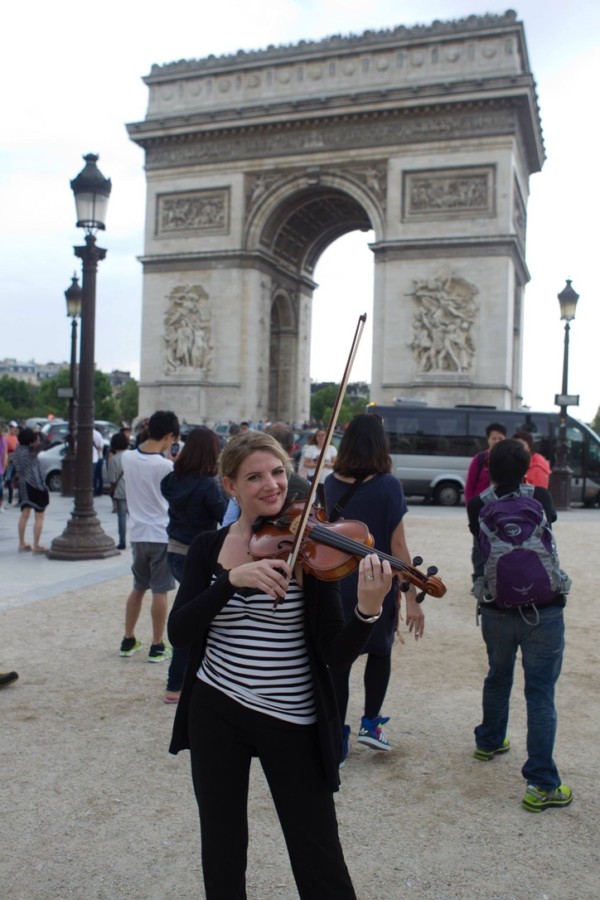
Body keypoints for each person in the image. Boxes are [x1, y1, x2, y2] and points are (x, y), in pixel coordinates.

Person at [168, 431, 392, 899]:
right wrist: (231, 581)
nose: (271, 485)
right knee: (223, 844)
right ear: (230, 486)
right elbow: (179, 632)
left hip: (291, 716)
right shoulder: (210, 548)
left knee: (318, 852)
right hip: (216, 709)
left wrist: (367, 611)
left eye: (276, 472)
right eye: (254, 477)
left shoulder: (309, 545)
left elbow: (334, 654)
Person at [467, 438, 572, 812]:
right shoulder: (540, 497)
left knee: (498, 674)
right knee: (540, 692)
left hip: (496, 606)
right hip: (544, 609)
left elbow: (479, 546)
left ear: (488, 468)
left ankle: (490, 740)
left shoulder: (477, 504)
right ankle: (542, 783)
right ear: (527, 469)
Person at [323, 413, 423, 762]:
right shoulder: (388, 486)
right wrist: (412, 596)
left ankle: (337, 735)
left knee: (340, 659)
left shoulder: (329, 483)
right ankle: (371, 723)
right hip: (376, 581)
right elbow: (398, 550)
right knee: (380, 652)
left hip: (335, 583)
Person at [160, 427, 228, 703]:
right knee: (193, 619)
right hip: (197, 556)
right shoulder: (208, 485)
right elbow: (225, 516)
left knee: (191, 613)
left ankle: (181, 682)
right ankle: (177, 684)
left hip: (174, 551)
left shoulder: (172, 479)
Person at [119, 410, 180, 662]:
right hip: (161, 532)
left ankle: (128, 638)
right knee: (160, 591)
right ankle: (157, 644)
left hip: (138, 532)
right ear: (167, 436)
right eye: (172, 440)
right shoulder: (166, 466)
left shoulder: (127, 457)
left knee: (138, 588)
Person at [464, 422, 507, 588]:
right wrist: (471, 511)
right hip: (481, 510)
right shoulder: (480, 459)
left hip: (502, 511)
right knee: (479, 547)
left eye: (500, 438)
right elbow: (469, 488)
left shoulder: (507, 459)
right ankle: (479, 579)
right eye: (493, 438)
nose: (497, 441)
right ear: (488, 440)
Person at [13, 427, 49, 553]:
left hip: (23, 485)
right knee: (39, 516)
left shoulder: (17, 451)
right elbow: (46, 441)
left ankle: (22, 542)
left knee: (24, 514)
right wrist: (38, 433)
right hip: (35, 485)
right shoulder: (31, 451)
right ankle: (36, 544)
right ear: (31, 441)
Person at [302, 428, 337, 506]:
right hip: (313, 478)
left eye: (323, 435)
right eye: (319, 435)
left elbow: (336, 463)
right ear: (316, 437)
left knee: (325, 502)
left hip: (326, 479)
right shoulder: (311, 448)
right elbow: (306, 463)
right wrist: (317, 465)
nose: (321, 437)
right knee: (313, 501)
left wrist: (327, 465)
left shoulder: (331, 448)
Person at [106, 431, 129, 550]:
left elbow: (112, 478)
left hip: (120, 491)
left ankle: (122, 541)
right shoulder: (133, 456)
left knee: (122, 517)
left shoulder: (113, 459)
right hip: (134, 491)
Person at [4, 421, 19, 506]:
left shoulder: (16, 438)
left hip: (15, 461)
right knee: (9, 479)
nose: (13, 429)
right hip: (9, 461)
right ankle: (9, 498)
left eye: (14, 427)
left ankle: (12, 497)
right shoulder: (7, 438)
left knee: (14, 480)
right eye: (11, 427)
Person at [92, 427, 105, 496]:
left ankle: (94, 490)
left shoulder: (83, 433)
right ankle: (99, 491)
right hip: (99, 456)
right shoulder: (98, 434)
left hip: (93, 458)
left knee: (93, 475)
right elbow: (101, 447)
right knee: (99, 475)